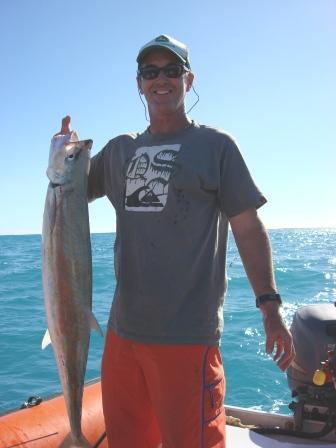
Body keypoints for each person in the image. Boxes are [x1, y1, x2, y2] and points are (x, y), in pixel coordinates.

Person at [59, 34, 295, 448]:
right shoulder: (119, 151)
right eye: (150, 72)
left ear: (189, 80)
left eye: (172, 70)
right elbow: (69, 192)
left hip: (187, 339)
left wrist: (270, 307)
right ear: (139, 83)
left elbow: (248, 227)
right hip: (123, 337)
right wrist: (63, 151)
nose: (160, 79)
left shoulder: (216, 147)